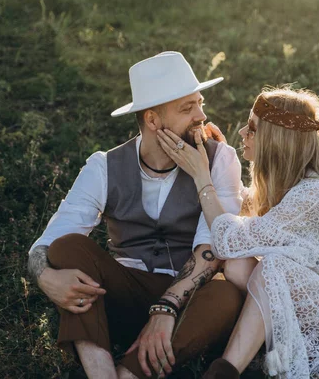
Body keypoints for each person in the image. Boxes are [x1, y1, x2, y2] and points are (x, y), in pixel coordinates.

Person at [27, 51, 249, 379]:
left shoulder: (220, 160)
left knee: (226, 294)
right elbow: (49, 242)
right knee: (66, 249)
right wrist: (44, 276)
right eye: (187, 108)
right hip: (124, 294)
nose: (201, 116)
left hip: (185, 299)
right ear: (153, 120)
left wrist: (167, 307)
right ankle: (101, 372)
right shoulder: (103, 166)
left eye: (199, 102)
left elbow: (213, 248)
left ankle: (128, 373)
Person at [157, 86, 319, 379]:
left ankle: (224, 370)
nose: (241, 132)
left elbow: (228, 240)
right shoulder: (289, 188)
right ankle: (242, 358)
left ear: (277, 141)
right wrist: (224, 166)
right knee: (239, 265)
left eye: (252, 128)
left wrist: (202, 179)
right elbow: (239, 216)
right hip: (311, 295)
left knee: (272, 267)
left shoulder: (315, 194)